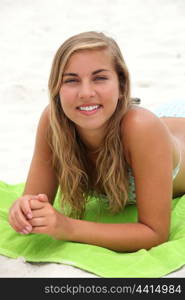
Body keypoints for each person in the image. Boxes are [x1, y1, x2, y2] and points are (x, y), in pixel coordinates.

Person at [8, 31, 185, 252]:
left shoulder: (141, 127)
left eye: (99, 78)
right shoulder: (53, 121)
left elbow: (154, 233)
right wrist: (24, 209)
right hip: (165, 122)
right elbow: (33, 201)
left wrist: (68, 227)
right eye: (71, 80)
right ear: (56, 89)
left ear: (121, 85)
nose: (86, 92)